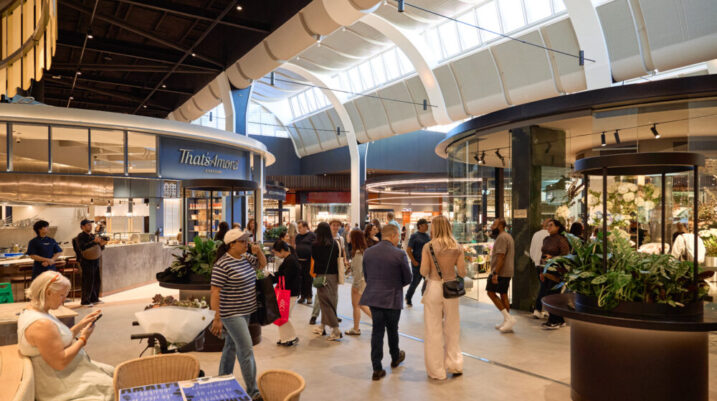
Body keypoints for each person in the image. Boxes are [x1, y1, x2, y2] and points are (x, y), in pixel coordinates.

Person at [18, 271, 113, 400]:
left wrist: (81, 324)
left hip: (68, 371)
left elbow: (58, 339)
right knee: (112, 386)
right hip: (59, 382)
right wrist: (83, 339)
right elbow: (60, 362)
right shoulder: (41, 324)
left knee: (113, 372)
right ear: (48, 292)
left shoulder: (38, 311)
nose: (64, 300)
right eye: (62, 295)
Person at [210, 229, 266, 401]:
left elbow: (262, 265)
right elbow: (215, 292)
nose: (246, 244)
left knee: (231, 346)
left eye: (246, 241)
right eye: (242, 241)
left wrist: (259, 252)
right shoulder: (222, 265)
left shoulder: (246, 258)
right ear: (231, 244)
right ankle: (253, 391)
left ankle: (223, 379)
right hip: (231, 314)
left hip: (246, 310)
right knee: (246, 349)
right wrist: (217, 318)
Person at [360, 224, 412, 380]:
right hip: (392, 297)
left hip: (374, 297)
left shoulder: (368, 252)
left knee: (377, 331)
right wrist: (395, 285)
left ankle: (377, 368)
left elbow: (367, 276)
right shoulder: (399, 254)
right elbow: (408, 278)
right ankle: (395, 357)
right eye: (398, 237)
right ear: (394, 235)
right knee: (392, 329)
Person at [421, 215, 467, 380]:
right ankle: (455, 364)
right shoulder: (457, 247)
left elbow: (423, 271)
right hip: (451, 288)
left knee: (433, 329)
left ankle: (437, 371)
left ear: (434, 228)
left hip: (434, 287)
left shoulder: (428, 246)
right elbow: (462, 272)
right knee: (452, 327)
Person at [310, 220, 347, 325]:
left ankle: (330, 318)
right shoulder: (334, 243)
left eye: (337, 225)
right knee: (327, 296)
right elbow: (338, 255)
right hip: (332, 273)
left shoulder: (339, 239)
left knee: (326, 296)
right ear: (329, 227)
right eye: (334, 225)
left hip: (321, 273)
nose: (336, 227)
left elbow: (314, 257)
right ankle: (317, 316)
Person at [536, 219, 571, 330]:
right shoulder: (546, 239)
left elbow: (565, 256)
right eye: (548, 225)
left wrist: (553, 257)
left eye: (551, 225)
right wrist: (541, 271)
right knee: (547, 295)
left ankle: (554, 320)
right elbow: (542, 255)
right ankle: (557, 320)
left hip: (557, 271)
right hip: (546, 269)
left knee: (553, 295)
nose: (549, 227)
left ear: (558, 227)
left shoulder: (561, 239)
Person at [486, 218, 516, 333]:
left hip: (501, 272)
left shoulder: (502, 237)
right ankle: (507, 320)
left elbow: (501, 257)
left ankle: (508, 318)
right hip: (505, 271)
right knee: (503, 294)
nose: (492, 227)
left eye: (494, 224)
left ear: (501, 226)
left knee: (490, 292)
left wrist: (495, 273)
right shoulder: (506, 236)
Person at [271, 240, 300, 346]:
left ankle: (292, 337)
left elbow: (285, 276)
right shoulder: (290, 259)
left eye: (276, 253)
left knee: (283, 316)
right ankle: (285, 338)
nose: (276, 255)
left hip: (290, 292)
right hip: (288, 292)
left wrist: (272, 277)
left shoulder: (291, 260)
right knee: (283, 315)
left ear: (282, 250)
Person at [75, 219, 107, 306]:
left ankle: (94, 299)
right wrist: (93, 242)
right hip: (86, 261)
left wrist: (102, 244)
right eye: (88, 225)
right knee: (88, 281)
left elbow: (99, 247)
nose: (90, 226)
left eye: (90, 225)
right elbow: (82, 247)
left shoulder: (92, 235)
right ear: (82, 227)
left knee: (96, 280)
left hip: (95, 260)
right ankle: (85, 301)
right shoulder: (80, 236)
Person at [346, 229, 371, 335]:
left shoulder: (358, 254)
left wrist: (355, 286)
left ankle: (356, 329)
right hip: (363, 281)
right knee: (360, 304)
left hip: (359, 282)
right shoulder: (364, 251)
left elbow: (358, 272)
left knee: (357, 305)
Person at [405, 218, 431, 307]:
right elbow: (408, 250)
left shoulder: (428, 236)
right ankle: (408, 297)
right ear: (420, 226)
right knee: (415, 282)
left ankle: (426, 299)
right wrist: (414, 261)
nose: (427, 226)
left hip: (426, 263)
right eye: (426, 225)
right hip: (417, 263)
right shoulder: (414, 236)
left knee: (428, 281)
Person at [529, 219, 550, 319]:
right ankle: (538, 309)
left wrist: (535, 260)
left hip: (537, 264)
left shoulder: (536, 234)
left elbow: (531, 251)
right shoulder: (549, 235)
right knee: (545, 287)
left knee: (544, 287)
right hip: (546, 264)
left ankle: (543, 309)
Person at [295, 221, 316, 305]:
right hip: (299, 261)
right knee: (301, 279)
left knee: (308, 279)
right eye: (298, 227)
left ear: (305, 227)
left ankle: (309, 296)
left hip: (308, 261)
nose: (298, 229)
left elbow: (315, 247)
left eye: (300, 227)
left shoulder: (312, 235)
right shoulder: (298, 236)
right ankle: (302, 296)